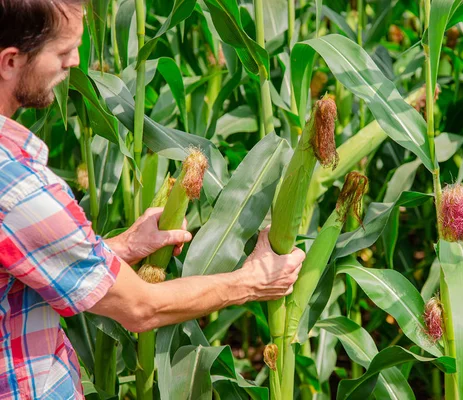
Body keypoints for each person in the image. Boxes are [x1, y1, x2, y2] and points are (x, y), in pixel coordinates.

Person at [0, 1, 305, 398]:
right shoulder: (16, 186)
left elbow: (19, 262)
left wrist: (125, 245)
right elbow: (140, 307)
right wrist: (252, 282)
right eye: (62, 52)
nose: (75, 63)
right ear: (9, 61)